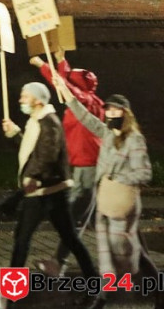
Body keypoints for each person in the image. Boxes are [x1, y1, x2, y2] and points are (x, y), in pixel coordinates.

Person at [49, 76, 152, 307]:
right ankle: (102, 297)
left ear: (126, 113)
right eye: (109, 110)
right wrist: (64, 90)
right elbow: (84, 116)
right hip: (104, 198)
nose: (111, 114)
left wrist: (117, 178)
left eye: (116, 110)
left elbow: (145, 174)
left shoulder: (134, 140)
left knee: (122, 247)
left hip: (124, 200)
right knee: (105, 249)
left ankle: (151, 282)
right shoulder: (106, 134)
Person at [1, 81, 97, 277]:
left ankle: (11, 292)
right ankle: (93, 281)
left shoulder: (48, 122)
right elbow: (34, 153)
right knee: (68, 238)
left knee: (23, 239)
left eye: (25, 96)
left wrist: (32, 177)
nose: (21, 100)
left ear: (37, 100)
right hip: (49, 189)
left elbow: (47, 155)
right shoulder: (37, 121)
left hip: (44, 191)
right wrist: (16, 134)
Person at [31, 50, 104, 276]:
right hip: (82, 164)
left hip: (88, 166)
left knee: (75, 219)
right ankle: (61, 263)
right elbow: (64, 81)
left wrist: (42, 64)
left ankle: (63, 265)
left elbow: (64, 85)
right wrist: (61, 59)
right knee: (78, 218)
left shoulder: (85, 100)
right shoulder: (88, 98)